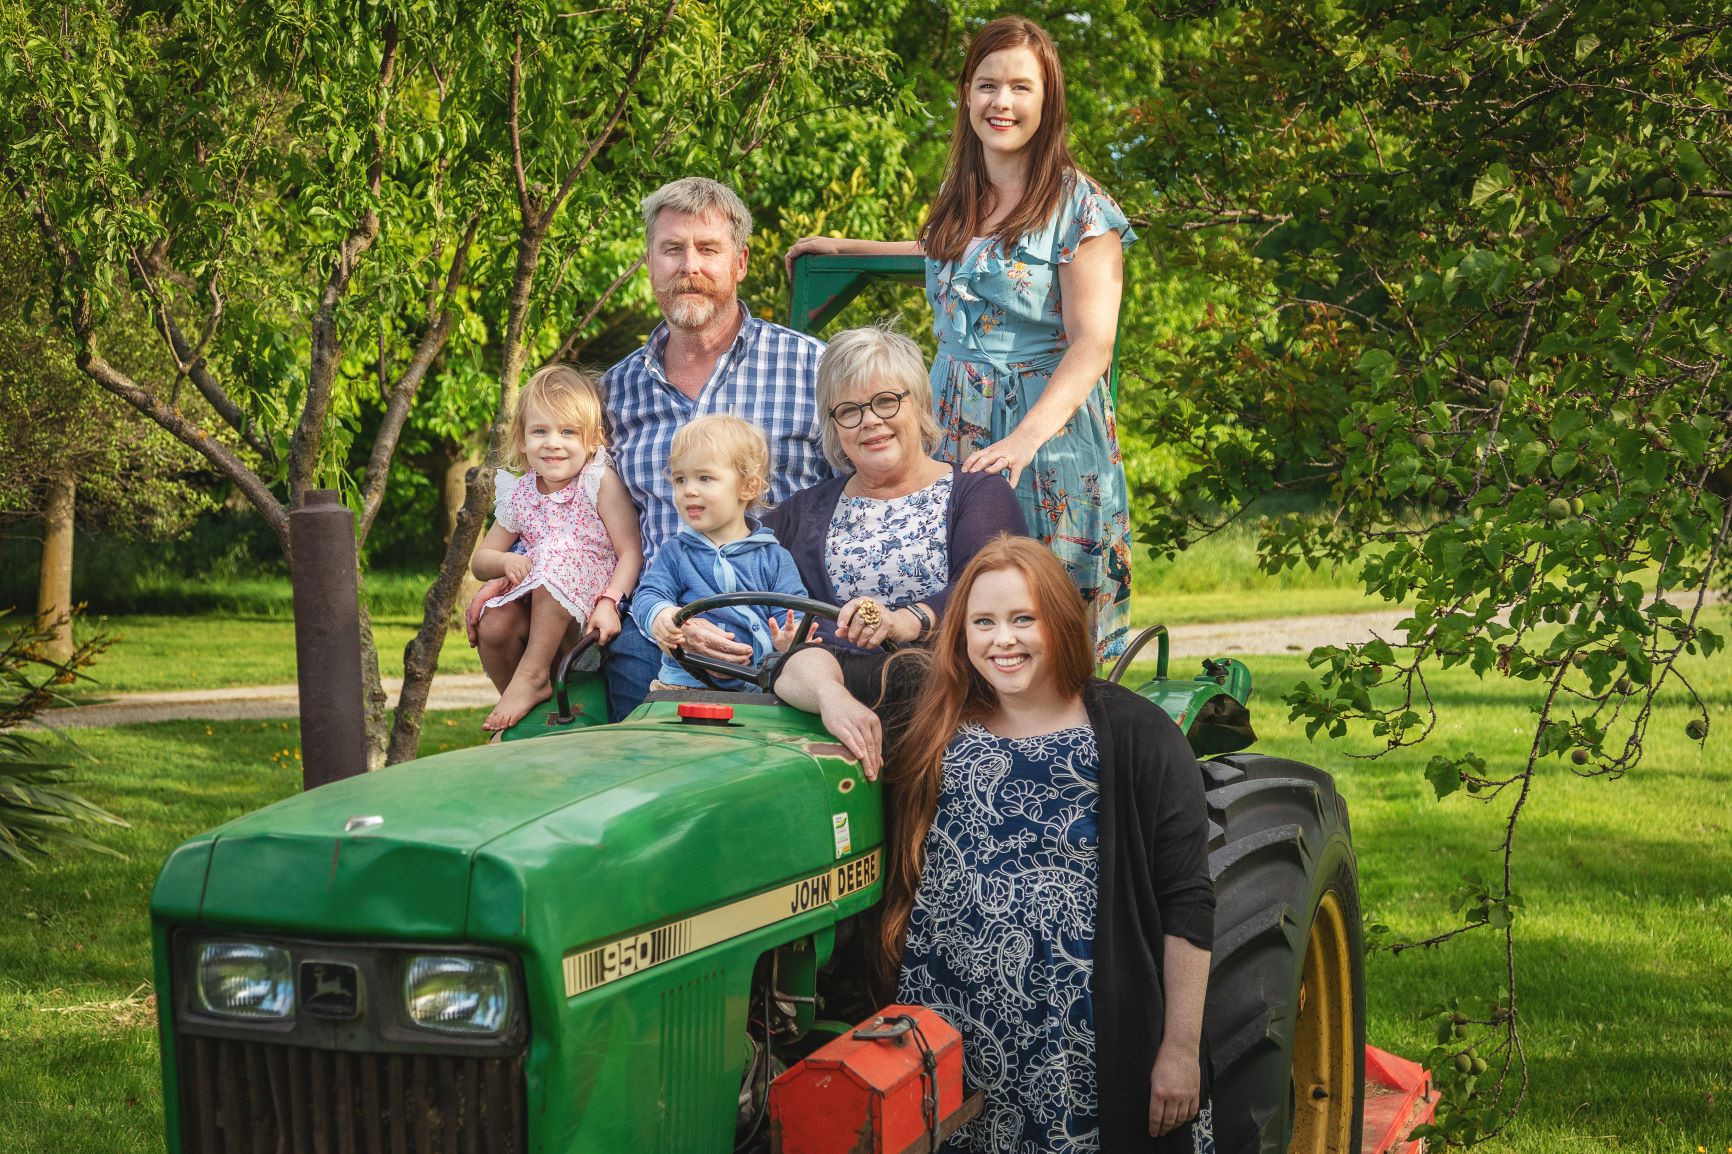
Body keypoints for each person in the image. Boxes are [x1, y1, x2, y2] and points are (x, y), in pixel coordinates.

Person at [772, 536, 1215, 1152]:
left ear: (1059, 621)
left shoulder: (1139, 735)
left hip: (1078, 1049)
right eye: (983, 622)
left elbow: (1187, 900)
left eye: (1022, 620)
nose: (1003, 640)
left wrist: (1180, 1048)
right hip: (949, 1033)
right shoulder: (932, 705)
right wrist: (835, 699)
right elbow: (795, 664)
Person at [785, 17, 1138, 661]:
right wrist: (846, 249)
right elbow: (954, 255)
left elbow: (1093, 344)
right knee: (956, 600)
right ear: (966, 94)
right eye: (987, 85)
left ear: (1047, 99)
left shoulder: (1079, 208)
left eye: (1020, 88)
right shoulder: (960, 196)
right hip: (949, 420)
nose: (1001, 103)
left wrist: (1022, 443)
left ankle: (1072, 747)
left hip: (1042, 433)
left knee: (1037, 603)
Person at [469, 177, 831, 719]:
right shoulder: (612, 396)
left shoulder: (814, 370)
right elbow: (571, 505)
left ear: (741, 262)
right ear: (648, 263)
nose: (690, 265)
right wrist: (515, 564)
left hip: (778, 628)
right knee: (646, 779)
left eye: (708, 249)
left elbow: (870, 486)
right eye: (672, 249)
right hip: (648, 628)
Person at [763, 325, 1027, 651]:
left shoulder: (978, 492)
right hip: (824, 688)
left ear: (919, 405)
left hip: (946, 691)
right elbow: (727, 563)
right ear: (833, 427)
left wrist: (906, 620)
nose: (870, 420)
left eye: (886, 402)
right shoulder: (803, 511)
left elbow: (998, 584)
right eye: (849, 410)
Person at [471, 365, 643, 732]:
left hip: (589, 612)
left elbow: (630, 551)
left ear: (594, 439)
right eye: (540, 431)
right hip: (540, 608)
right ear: (521, 440)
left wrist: (610, 602)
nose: (553, 443)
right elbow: (480, 561)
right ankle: (525, 711)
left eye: (568, 432)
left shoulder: (597, 481)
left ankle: (533, 675)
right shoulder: (519, 493)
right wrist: (505, 560)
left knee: (557, 548)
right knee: (494, 624)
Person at [631, 414, 807, 691]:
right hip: (684, 685)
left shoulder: (773, 557)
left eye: (704, 477)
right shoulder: (677, 552)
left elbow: (792, 612)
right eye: (679, 479)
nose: (688, 490)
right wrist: (662, 616)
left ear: (748, 486)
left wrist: (790, 639)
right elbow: (648, 595)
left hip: (756, 689)